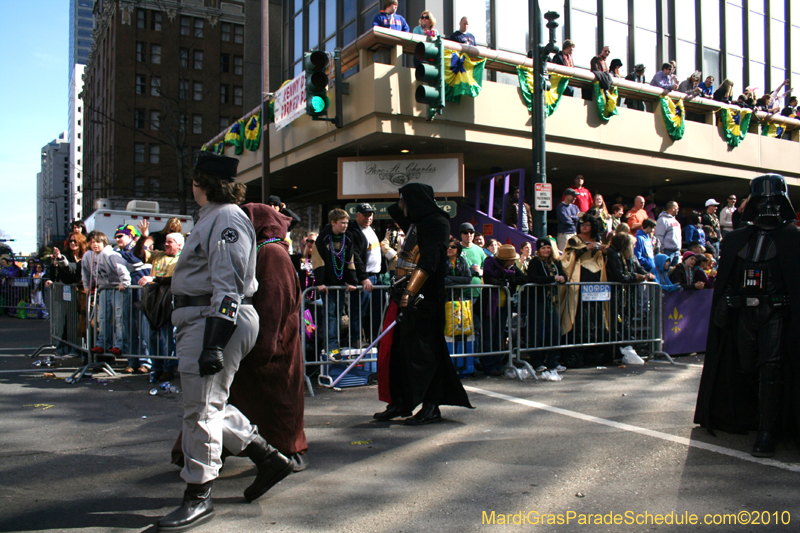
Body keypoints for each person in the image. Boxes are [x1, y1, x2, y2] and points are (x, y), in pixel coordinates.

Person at [157, 152, 293, 532]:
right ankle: (268, 458)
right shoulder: (213, 217)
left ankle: (198, 495)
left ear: (204, 182)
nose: (192, 185)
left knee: (200, 409)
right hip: (203, 319)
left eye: (195, 179)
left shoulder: (227, 217)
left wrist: (214, 341)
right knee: (209, 404)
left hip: (214, 320)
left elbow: (229, 284)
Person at [695, 174, 800, 458]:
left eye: (773, 200)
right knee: (747, 365)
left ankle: (767, 432)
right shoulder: (738, 239)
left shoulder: (792, 239)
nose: (767, 205)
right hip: (744, 313)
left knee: (771, 368)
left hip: (776, 313)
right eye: (761, 199)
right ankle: (754, 418)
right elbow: (729, 278)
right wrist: (724, 305)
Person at [374, 183, 473, 424]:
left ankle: (431, 405)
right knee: (398, 351)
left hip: (424, 298)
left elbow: (429, 262)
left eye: (405, 200)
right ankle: (399, 402)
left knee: (425, 354)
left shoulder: (437, 222)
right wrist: (404, 197)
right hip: (406, 294)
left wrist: (409, 293)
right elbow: (395, 211)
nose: (401, 205)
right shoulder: (418, 222)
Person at [229, 202, 309, 472]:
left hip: (275, 343)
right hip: (264, 341)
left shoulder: (272, 252)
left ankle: (287, 451)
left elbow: (274, 302)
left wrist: (265, 345)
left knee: (279, 402)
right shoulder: (263, 250)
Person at [134, 220, 183, 382]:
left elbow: (175, 279)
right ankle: (156, 367)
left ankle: (168, 368)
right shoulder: (158, 255)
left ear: (180, 245)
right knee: (151, 337)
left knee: (167, 337)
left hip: (168, 302)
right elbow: (138, 254)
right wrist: (143, 237)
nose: (166, 244)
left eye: (170, 242)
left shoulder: (182, 259)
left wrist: (153, 278)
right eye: (166, 241)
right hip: (151, 300)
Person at [312, 208, 359, 361]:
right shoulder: (323, 238)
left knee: (338, 315)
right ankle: (331, 348)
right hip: (327, 285)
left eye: (346, 223)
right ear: (333, 222)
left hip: (340, 284)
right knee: (330, 315)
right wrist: (319, 282)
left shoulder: (349, 237)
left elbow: (350, 260)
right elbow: (318, 260)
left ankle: (335, 346)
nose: (345, 226)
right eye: (342, 223)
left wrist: (352, 281)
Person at [480, 244, 527, 375]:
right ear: (505, 260)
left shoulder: (512, 268)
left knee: (498, 336)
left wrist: (506, 280)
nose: (514, 261)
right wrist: (505, 281)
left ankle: (497, 364)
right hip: (489, 306)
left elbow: (523, 278)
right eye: (512, 259)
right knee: (488, 336)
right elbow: (490, 278)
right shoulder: (490, 263)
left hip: (504, 307)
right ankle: (488, 366)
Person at [85, 231, 131, 360]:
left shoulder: (111, 255)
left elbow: (123, 269)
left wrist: (124, 283)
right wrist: (87, 285)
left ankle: (120, 344)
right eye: (92, 242)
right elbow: (86, 271)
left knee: (119, 317)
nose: (95, 245)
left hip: (118, 289)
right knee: (103, 317)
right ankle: (103, 343)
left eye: (98, 242)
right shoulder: (90, 256)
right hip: (104, 288)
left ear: (104, 243)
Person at [526, 238, 567, 372]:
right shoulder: (535, 262)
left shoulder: (555, 262)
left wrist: (562, 278)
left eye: (548, 248)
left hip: (551, 301)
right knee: (536, 332)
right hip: (537, 300)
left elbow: (563, 275)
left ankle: (553, 361)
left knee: (555, 331)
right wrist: (552, 279)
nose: (546, 250)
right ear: (539, 250)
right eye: (543, 248)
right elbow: (532, 278)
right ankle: (536, 361)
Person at [348, 203, 385, 345]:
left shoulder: (371, 229)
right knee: (359, 311)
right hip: (365, 278)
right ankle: (356, 339)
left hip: (376, 276)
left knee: (375, 312)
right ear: (357, 215)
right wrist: (363, 278)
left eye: (370, 215)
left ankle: (374, 339)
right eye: (365, 215)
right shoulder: (353, 231)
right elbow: (356, 256)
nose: (368, 218)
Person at [656, 201, 682, 266]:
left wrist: (679, 249)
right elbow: (659, 236)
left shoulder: (676, 221)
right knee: (666, 271)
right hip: (667, 251)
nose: (678, 210)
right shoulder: (662, 220)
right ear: (673, 208)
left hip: (676, 251)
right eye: (677, 208)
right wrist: (661, 250)